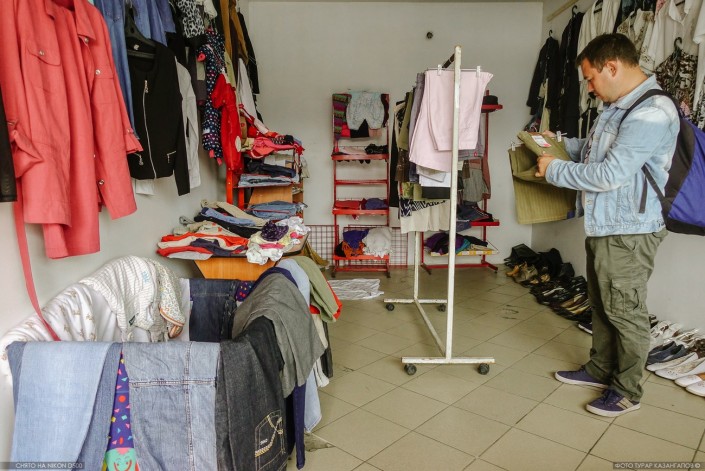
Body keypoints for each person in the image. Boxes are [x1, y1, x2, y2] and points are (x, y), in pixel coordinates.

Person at [535, 33, 679, 417]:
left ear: (611, 67)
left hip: (629, 231)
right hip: (607, 225)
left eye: (590, 78)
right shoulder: (620, 106)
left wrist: (554, 170)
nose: (589, 88)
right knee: (602, 304)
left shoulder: (651, 111)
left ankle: (628, 390)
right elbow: (594, 151)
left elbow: (609, 174)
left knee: (625, 311)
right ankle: (600, 368)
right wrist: (558, 143)